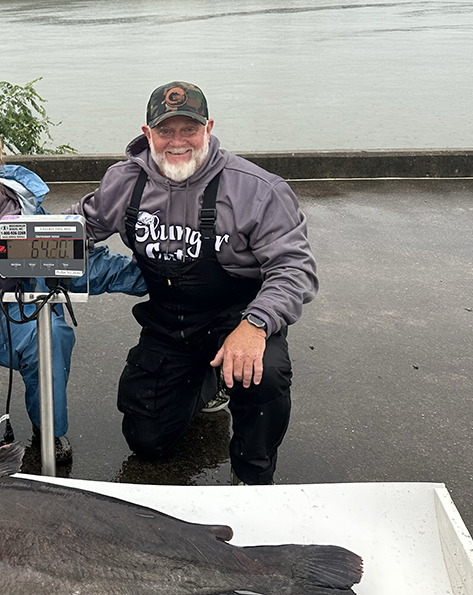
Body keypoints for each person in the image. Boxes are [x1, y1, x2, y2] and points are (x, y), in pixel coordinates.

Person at [66, 82, 318, 485]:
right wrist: (2, 234)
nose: (177, 142)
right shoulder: (124, 182)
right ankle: (208, 379)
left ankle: (253, 474)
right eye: (166, 131)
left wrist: (255, 326)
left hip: (235, 314)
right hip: (168, 317)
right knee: (146, 440)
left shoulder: (257, 189)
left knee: (264, 373)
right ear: (148, 134)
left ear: (209, 128)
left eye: (189, 130)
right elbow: (77, 228)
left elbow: (294, 268)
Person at [0, 126, 145, 464]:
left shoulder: (19, 215)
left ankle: (49, 428)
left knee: (53, 335)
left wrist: (149, 277)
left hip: (4, 314)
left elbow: (71, 262)